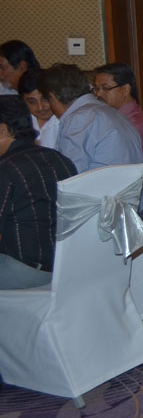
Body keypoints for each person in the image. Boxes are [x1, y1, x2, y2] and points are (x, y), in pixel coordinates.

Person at [0, 97, 77, 289]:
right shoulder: (59, 159)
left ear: (2, 130)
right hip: (66, 267)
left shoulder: (5, 169)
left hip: (23, 271)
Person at [38, 64, 143, 175]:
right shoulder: (114, 113)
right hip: (124, 185)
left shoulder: (78, 119)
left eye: (46, 100)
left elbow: (69, 174)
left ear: (53, 98)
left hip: (101, 185)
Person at [92, 62, 143, 181]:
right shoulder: (114, 115)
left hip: (126, 184)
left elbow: (120, 168)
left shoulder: (135, 125)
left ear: (126, 89)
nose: (98, 94)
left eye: (105, 88)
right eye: (96, 89)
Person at [17, 69, 59, 149]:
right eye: (32, 102)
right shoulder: (18, 123)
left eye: (45, 99)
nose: (40, 107)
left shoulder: (67, 121)